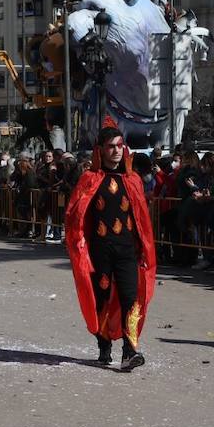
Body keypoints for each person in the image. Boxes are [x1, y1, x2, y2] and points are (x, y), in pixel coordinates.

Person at [64, 126, 157, 370]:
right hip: (100, 251)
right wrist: (79, 241)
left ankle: (130, 350)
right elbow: (75, 215)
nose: (116, 151)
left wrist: (145, 250)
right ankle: (104, 344)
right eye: (111, 146)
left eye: (119, 146)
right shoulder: (89, 179)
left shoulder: (132, 180)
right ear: (101, 150)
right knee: (102, 299)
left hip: (127, 251)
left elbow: (141, 220)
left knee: (131, 298)